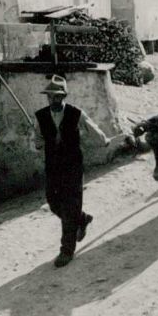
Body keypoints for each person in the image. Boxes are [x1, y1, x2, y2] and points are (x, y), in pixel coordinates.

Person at [34, 75, 115, 267]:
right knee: (54, 203)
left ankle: (66, 250)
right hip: (53, 167)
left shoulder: (75, 113)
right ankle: (82, 219)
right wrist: (39, 143)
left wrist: (104, 140)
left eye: (56, 96)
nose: (52, 99)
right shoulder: (41, 116)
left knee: (70, 206)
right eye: (50, 96)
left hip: (72, 167)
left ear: (63, 96)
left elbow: (92, 128)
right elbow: (37, 139)